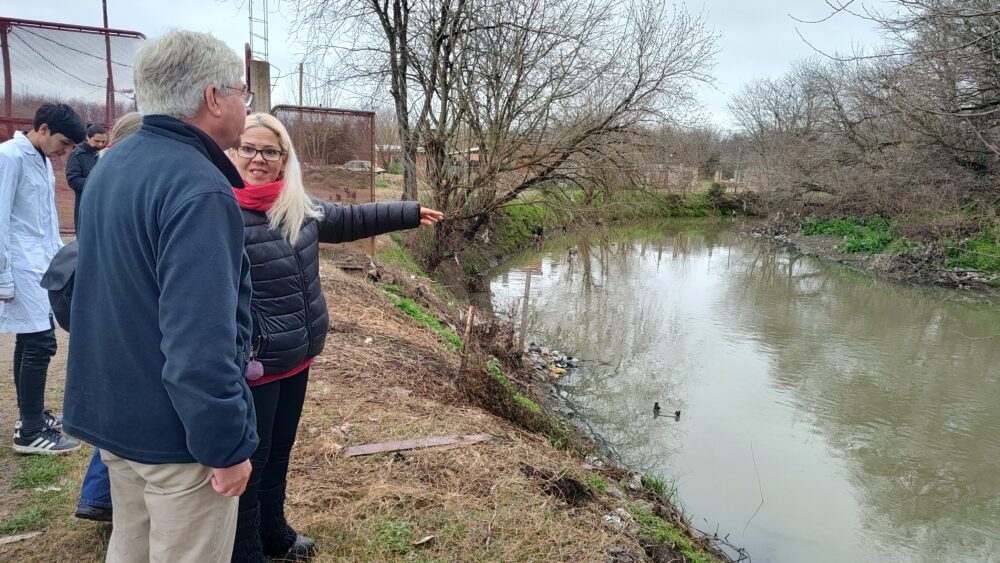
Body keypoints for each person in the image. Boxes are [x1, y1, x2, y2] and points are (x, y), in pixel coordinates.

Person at [62, 30, 258, 563]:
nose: (246, 104)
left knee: (131, 547)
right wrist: (225, 445)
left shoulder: (113, 166)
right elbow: (201, 342)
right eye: (243, 92)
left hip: (116, 416)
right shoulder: (199, 188)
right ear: (213, 98)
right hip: (178, 439)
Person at [227, 113, 443, 562]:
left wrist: (406, 212)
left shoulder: (295, 203)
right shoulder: (219, 209)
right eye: (248, 148)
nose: (258, 159)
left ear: (284, 158)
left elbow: (345, 220)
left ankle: (275, 532)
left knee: (280, 452)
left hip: (298, 354)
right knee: (255, 458)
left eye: (270, 151)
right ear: (231, 150)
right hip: (256, 364)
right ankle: (245, 549)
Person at [1, 103, 85, 455]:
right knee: (40, 342)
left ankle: (30, 418)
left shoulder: (41, 160)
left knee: (32, 338)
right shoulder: (10, 156)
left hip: (39, 263)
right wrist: (3, 276)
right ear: (45, 129)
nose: (65, 151)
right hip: (18, 264)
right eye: (63, 142)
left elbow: (45, 218)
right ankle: (31, 431)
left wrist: (57, 262)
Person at [71, 111, 142, 523]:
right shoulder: (125, 180)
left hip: (104, 307)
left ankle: (99, 497)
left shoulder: (104, 175)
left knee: (116, 409)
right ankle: (100, 496)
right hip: (123, 312)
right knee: (126, 408)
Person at [64, 124, 108, 228]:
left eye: (103, 141)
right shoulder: (76, 155)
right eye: (97, 141)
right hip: (86, 206)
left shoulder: (108, 154)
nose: (100, 144)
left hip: (106, 205)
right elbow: (74, 181)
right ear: (87, 138)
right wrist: (97, 184)